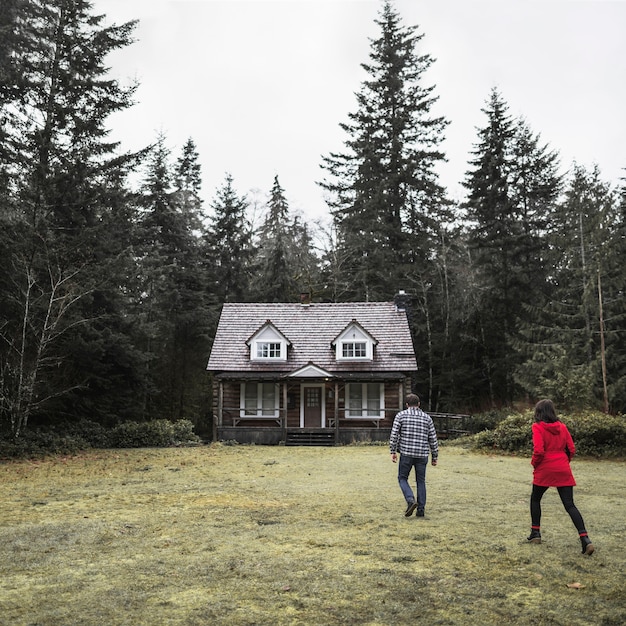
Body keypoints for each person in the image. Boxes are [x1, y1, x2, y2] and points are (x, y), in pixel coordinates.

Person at [528, 399, 594, 556]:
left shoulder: (537, 427)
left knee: (535, 499)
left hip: (545, 468)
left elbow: (538, 451)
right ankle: (585, 539)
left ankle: (535, 533)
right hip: (562, 467)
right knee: (570, 504)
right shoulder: (563, 427)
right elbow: (571, 448)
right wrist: (564, 461)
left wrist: (534, 464)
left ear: (538, 413)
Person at [389, 393, 438, 517]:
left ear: (406, 405)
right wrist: (435, 456)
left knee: (402, 478)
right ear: (419, 404)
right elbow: (433, 438)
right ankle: (420, 510)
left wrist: (393, 451)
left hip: (406, 453)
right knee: (421, 481)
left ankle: (410, 500)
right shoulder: (427, 418)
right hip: (422, 454)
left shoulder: (401, 416)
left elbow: (394, 434)